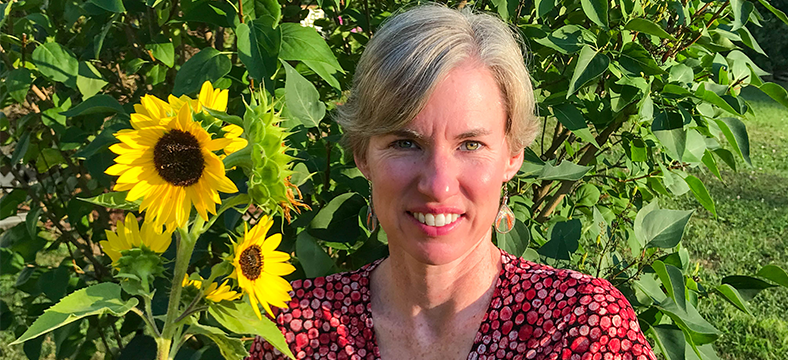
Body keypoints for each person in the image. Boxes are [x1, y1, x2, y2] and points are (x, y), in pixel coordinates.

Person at [247, 5, 657, 360]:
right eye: (405, 142)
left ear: (513, 156)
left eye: (471, 144)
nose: (438, 185)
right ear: (362, 154)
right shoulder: (293, 330)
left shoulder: (581, 326)